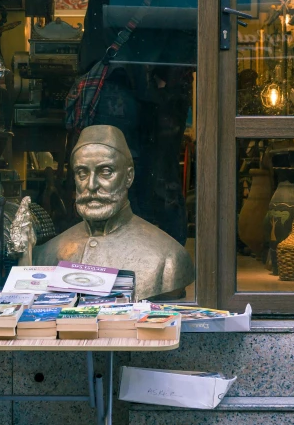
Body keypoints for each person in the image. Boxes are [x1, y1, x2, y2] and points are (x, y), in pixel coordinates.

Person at [1, 0, 196, 244]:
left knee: (110, 176)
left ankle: (118, 257)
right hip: (156, 97)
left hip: (118, 94)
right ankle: (163, 258)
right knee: (152, 176)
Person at [10, 126, 194, 300]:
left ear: (129, 177)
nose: (91, 186)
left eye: (105, 172)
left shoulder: (168, 259)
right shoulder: (46, 255)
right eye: (82, 173)